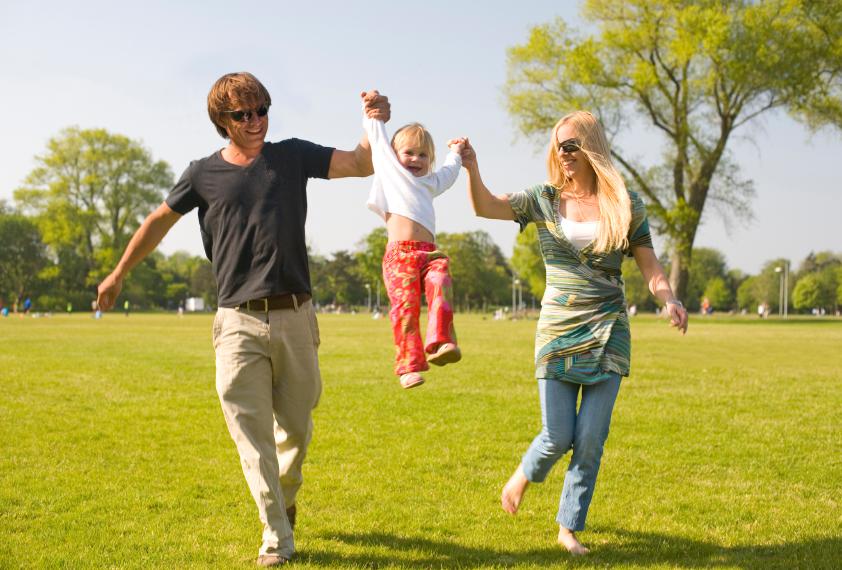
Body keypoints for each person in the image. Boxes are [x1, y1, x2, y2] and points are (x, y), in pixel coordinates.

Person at [96, 72, 390, 567]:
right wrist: (119, 272)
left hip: (296, 316)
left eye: (261, 110)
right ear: (222, 120)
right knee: (254, 440)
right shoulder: (201, 174)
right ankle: (276, 537)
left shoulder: (292, 156)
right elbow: (157, 221)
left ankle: (284, 497)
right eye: (242, 114)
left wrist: (373, 121)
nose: (255, 121)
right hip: (236, 322)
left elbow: (362, 163)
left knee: (296, 430)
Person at [457, 110, 688, 556]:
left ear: (590, 147)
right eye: (557, 146)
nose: (562, 153)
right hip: (558, 332)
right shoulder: (542, 199)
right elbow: (485, 206)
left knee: (590, 441)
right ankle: (523, 475)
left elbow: (651, 266)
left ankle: (568, 527)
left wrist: (670, 300)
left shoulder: (625, 204)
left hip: (608, 332)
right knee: (558, 435)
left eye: (570, 145)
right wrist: (472, 167)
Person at [364, 112, 463, 389]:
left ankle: (441, 342)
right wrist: (372, 116)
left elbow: (449, 173)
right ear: (394, 156)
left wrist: (455, 152)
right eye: (409, 153)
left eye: (423, 155)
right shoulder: (391, 175)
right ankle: (408, 367)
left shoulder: (430, 183)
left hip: (429, 254)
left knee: (441, 280)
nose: (416, 159)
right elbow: (378, 141)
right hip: (401, 257)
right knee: (406, 309)